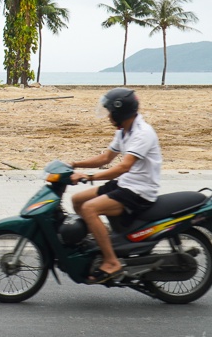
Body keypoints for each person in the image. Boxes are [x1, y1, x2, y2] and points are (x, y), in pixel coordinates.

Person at [68, 88, 162, 283]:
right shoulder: (124, 131)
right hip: (125, 185)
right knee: (77, 200)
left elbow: (123, 167)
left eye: (110, 111)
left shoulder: (142, 133)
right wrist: (74, 164)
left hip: (139, 191)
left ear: (120, 112)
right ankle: (104, 242)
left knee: (89, 209)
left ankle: (112, 262)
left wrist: (90, 177)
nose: (108, 116)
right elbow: (105, 158)